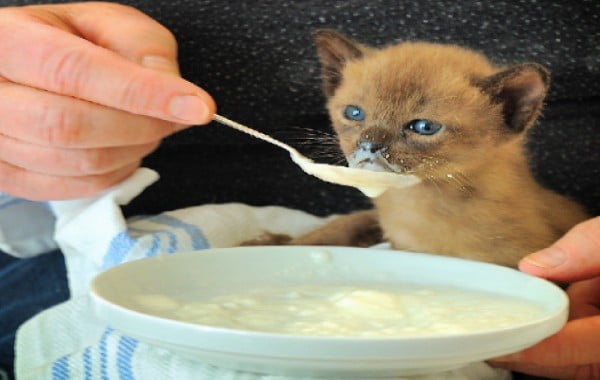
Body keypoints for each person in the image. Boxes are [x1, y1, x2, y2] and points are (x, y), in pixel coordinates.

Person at [0, 2, 598, 379]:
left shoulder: (503, 215)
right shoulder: (396, 183)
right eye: (354, 116)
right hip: (76, 238)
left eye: (421, 128)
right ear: (336, 81)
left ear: (512, 109)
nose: (369, 150)